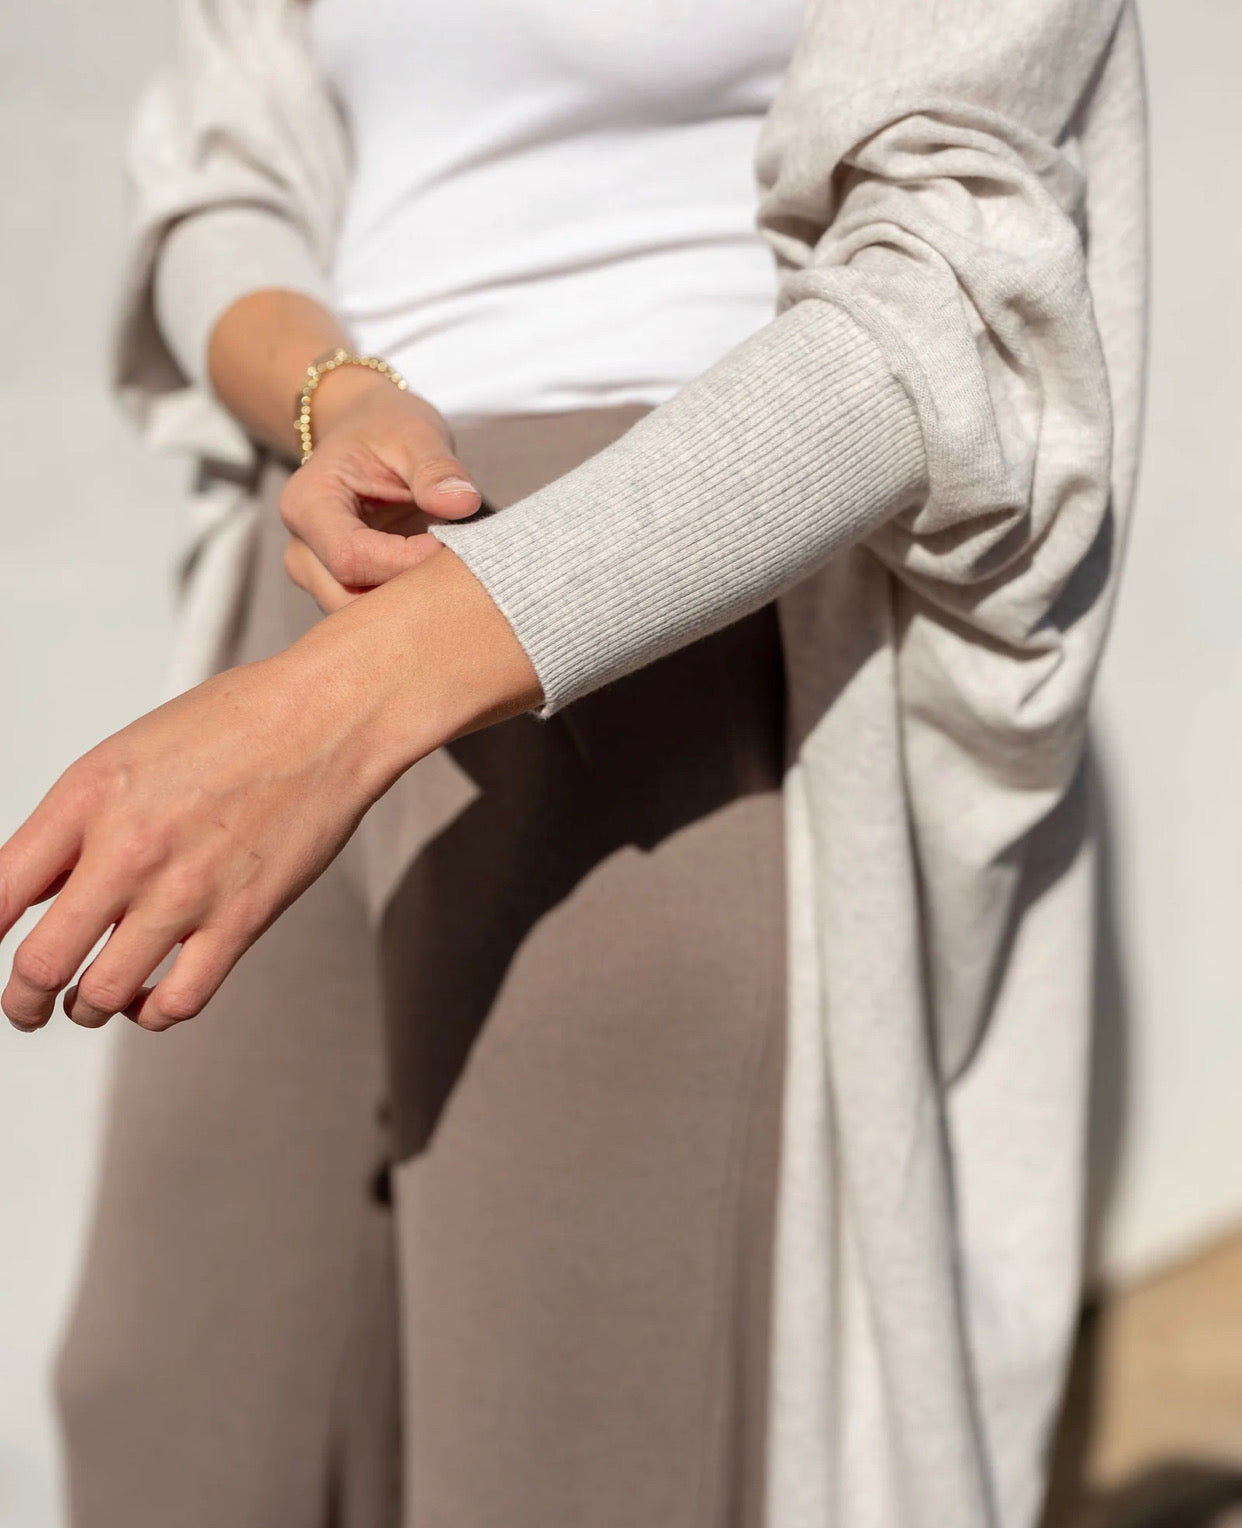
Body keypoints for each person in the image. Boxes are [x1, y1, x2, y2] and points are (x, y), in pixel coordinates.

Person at [1, 2, 1148, 1526]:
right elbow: (222, 185)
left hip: (669, 589)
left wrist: (335, 708)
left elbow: (951, 297)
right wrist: (340, 398)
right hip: (331, 554)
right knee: (161, 1407)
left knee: (557, 1437)